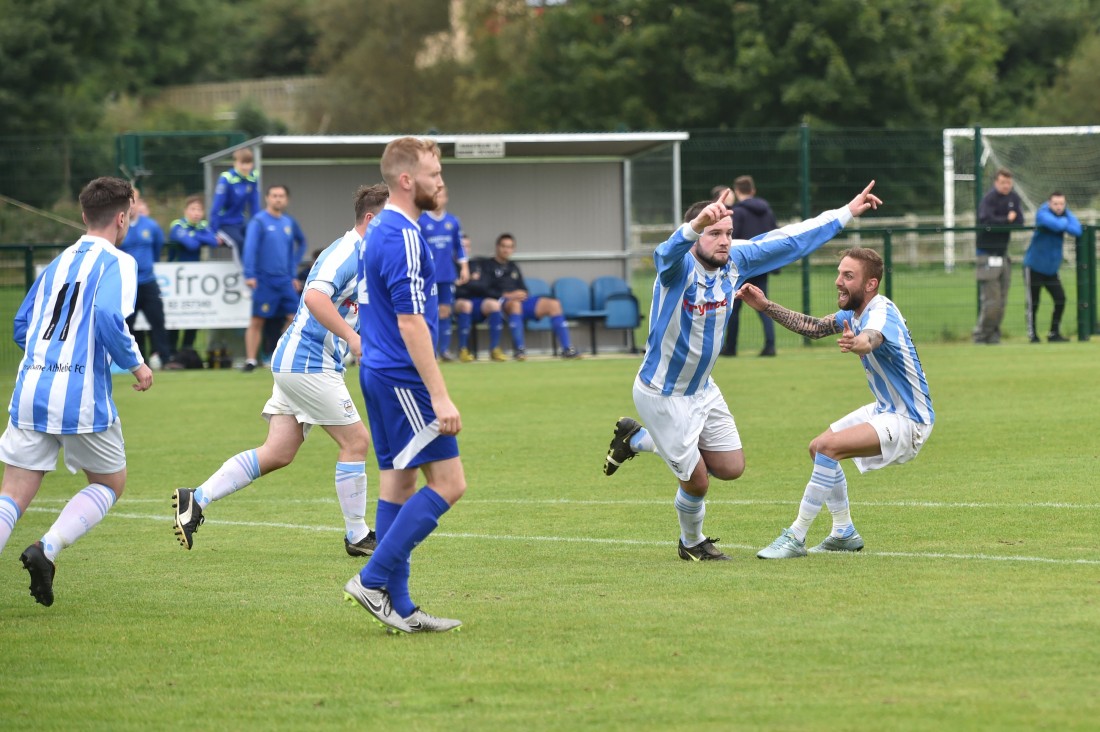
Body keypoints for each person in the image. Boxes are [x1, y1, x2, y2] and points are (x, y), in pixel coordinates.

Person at [602, 182, 883, 562]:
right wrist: (693, 225)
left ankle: (635, 439)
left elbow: (791, 239)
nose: (724, 240)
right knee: (697, 481)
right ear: (697, 235)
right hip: (662, 394)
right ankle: (692, 543)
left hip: (702, 388)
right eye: (714, 232)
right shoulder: (678, 268)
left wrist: (846, 212)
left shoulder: (736, 260)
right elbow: (662, 253)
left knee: (731, 467)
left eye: (728, 233)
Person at [172, 184, 389, 557]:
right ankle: (357, 536)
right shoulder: (346, 252)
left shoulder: (371, 256)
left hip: (298, 362)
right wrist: (353, 341)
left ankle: (197, 498)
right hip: (308, 363)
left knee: (278, 452)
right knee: (356, 443)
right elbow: (315, 297)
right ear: (371, 219)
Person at [0, 177, 154, 607]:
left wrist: (47, 357)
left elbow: (20, 325)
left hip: (31, 387)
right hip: (80, 397)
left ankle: (43, 551)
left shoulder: (58, 261)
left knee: (11, 494)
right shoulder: (119, 262)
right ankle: (47, 549)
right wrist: (136, 363)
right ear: (122, 218)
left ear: (84, 216)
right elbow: (107, 313)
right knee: (110, 482)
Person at [735, 247, 934, 558]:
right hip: (886, 408)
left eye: (848, 276)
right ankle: (843, 531)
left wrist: (859, 344)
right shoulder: (852, 315)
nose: (838, 281)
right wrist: (765, 306)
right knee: (819, 448)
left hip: (909, 419)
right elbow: (813, 328)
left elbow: (871, 338)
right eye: (839, 273)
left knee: (829, 449)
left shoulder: (881, 313)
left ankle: (796, 535)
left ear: (871, 284)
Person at [343, 137, 465, 634]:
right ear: (407, 180)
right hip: (402, 378)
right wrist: (439, 394)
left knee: (399, 481)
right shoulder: (406, 236)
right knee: (451, 483)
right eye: (435, 174)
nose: (442, 182)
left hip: (379, 371)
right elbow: (412, 322)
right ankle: (372, 580)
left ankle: (402, 604)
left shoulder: (382, 230)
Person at [482, 233, 581, 360]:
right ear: (497, 247)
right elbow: (484, 289)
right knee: (515, 305)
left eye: (510, 247)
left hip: (520, 301)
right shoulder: (487, 265)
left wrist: (523, 293)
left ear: (513, 249)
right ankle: (520, 350)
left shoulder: (513, 266)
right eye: (503, 246)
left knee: (554, 304)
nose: (506, 250)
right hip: (501, 303)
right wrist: (508, 295)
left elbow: (523, 287)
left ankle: (567, 348)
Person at [242, 184, 307, 372]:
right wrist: (249, 273)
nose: (278, 199)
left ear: (287, 200)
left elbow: (301, 243)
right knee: (257, 320)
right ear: (267, 198)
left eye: (281, 196)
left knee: (297, 318)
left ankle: (279, 353)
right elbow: (250, 248)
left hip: (285, 280)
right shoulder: (259, 221)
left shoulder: (289, 222)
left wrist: (293, 270)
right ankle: (251, 360)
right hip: (264, 280)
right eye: (274, 195)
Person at [718, 176, 780, 357]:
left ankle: (730, 348)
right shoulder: (767, 212)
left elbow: (731, 238)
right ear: (753, 190)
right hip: (762, 265)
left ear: (737, 192)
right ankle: (770, 346)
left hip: (741, 267)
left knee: (734, 308)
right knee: (764, 306)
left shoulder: (737, 212)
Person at [118, 191, 171, 369]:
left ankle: (165, 360)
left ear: (138, 202)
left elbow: (157, 249)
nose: (131, 205)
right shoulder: (119, 226)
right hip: (127, 285)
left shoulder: (152, 226)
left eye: (134, 201)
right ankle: (135, 363)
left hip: (148, 282)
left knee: (158, 322)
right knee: (127, 326)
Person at [973, 168, 1025, 344]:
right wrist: (1006, 220)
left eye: (1009, 182)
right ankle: (981, 336)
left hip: (1003, 255)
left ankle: (994, 336)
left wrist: (1010, 220)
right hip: (987, 255)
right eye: (1003, 182)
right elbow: (986, 219)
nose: (1006, 186)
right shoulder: (989, 199)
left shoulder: (1014, 198)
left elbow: (1020, 221)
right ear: (996, 182)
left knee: (1002, 300)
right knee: (991, 301)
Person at [1023, 191, 1081, 343]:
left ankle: (1053, 333)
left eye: (1062, 204)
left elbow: (1077, 230)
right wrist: (1063, 223)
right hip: (1034, 266)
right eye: (1055, 204)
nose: (1059, 207)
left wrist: (1064, 220)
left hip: (1051, 269)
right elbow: (1056, 225)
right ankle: (1032, 335)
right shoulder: (1042, 214)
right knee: (1033, 302)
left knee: (1060, 298)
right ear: (1049, 203)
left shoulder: (1065, 213)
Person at [418, 188, 469, 361]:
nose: (438, 199)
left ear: (446, 198)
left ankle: (444, 350)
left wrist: (464, 267)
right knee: (427, 312)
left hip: (447, 274)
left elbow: (459, 246)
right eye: (435, 196)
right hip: (426, 275)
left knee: (445, 311)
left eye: (441, 195)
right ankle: (429, 351)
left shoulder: (453, 221)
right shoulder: (421, 221)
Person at [167, 195, 220, 357]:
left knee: (194, 314)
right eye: (193, 209)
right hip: (176, 279)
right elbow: (191, 245)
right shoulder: (177, 225)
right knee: (175, 316)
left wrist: (195, 236)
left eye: (199, 210)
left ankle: (187, 350)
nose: (196, 213)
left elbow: (215, 241)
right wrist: (198, 238)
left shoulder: (202, 226)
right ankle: (171, 352)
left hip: (194, 280)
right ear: (186, 211)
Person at [453, 246, 506, 362]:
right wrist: (473, 282)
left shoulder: (477, 264)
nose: (464, 249)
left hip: (478, 302)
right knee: (466, 305)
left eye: (467, 246)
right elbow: (455, 290)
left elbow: (484, 286)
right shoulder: (451, 265)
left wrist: (465, 282)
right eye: (462, 247)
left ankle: (494, 349)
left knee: (494, 305)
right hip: (458, 303)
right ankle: (463, 349)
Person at [210, 148, 262, 262]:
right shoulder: (227, 178)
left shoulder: (253, 177)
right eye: (242, 163)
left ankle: (259, 271)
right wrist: (213, 231)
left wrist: (258, 225)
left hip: (241, 220)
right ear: (235, 163)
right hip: (225, 223)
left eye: (248, 163)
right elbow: (216, 207)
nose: (245, 167)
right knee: (240, 242)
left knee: (257, 237)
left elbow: (254, 205)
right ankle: (246, 274)